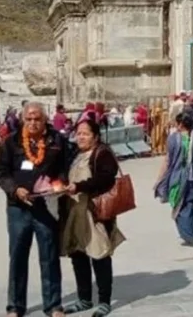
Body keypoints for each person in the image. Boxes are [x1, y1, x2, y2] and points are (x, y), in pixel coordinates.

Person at [0, 102, 68, 317]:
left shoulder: (57, 141)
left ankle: (53, 305)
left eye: (37, 118)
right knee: (17, 256)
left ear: (45, 119)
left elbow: (64, 169)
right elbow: (1, 172)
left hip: (46, 206)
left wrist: (58, 183)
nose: (33, 123)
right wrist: (15, 190)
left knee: (49, 256)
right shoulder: (11, 142)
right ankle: (15, 306)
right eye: (29, 119)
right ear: (22, 120)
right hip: (18, 207)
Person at [60, 119, 123, 316]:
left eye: (85, 134)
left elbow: (105, 178)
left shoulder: (102, 153)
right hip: (74, 213)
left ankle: (104, 300)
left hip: (94, 213)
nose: (81, 137)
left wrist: (79, 186)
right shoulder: (76, 155)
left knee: (99, 255)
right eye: (78, 133)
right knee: (78, 255)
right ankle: (84, 298)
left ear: (95, 136)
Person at [154, 112, 193, 246]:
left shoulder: (173, 139)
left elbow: (168, 161)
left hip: (179, 180)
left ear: (180, 124)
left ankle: (189, 237)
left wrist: (160, 179)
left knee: (182, 207)